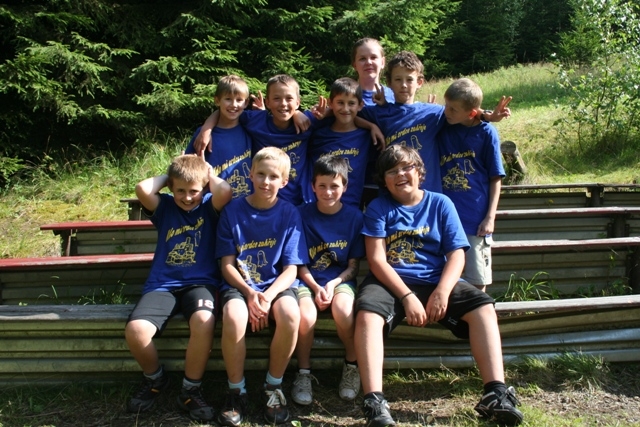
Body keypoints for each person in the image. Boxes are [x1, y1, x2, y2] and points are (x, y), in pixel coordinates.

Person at [354, 145, 523, 427]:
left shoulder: (441, 203)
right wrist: (407, 296)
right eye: (392, 171)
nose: (400, 175)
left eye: (407, 167)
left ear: (420, 172)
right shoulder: (379, 208)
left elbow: (457, 254)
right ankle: (374, 403)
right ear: (383, 180)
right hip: (391, 282)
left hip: (436, 278)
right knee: (367, 315)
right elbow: (376, 260)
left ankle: (496, 393)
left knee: (483, 308)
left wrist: (442, 292)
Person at [125, 154, 232, 422]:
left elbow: (225, 191)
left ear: (204, 187)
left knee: (204, 320)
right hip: (163, 284)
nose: (187, 197)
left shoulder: (209, 206)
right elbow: (142, 189)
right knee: (136, 331)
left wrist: (207, 174)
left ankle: (190, 388)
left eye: (194, 191)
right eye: (180, 191)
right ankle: (155, 378)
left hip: (201, 283)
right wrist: (171, 176)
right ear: (171, 188)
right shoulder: (164, 207)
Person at [215, 146, 309, 426]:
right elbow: (227, 265)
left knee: (291, 314)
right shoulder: (232, 211)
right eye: (261, 175)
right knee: (234, 316)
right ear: (250, 175)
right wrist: (249, 293)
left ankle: (273, 386)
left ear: (284, 181)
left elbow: (291, 268)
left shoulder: (290, 213)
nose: (266, 182)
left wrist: (266, 297)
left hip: (275, 285)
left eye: (273, 177)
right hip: (240, 285)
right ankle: (237, 391)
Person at [358, 50, 511, 194]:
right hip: (394, 194)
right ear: (389, 82)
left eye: (409, 79)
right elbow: (349, 114)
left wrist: (488, 116)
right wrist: (371, 126)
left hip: (429, 194)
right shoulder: (380, 112)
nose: (403, 85)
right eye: (398, 79)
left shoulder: (433, 112)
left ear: (419, 82)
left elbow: (463, 109)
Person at [293, 154, 364, 406]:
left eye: (334, 186)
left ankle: (352, 365)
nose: (328, 192)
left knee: (344, 310)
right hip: (307, 280)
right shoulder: (300, 214)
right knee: (305, 317)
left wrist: (333, 284)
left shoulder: (355, 217)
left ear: (345, 186)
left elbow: (353, 266)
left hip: (339, 280)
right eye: (321, 185)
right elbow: (298, 263)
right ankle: (303, 372)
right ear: (313, 186)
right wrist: (315, 287)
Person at [193, 74, 320, 206]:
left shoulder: (306, 123)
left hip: (299, 202)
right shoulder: (257, 121)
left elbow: (332, 113)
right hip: (262, 201)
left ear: (298, 102)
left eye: (289, 98)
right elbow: (228, 111)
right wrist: (206, 129)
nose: (283, 103)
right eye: (277, 98)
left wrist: (297, 113)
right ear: (268, 102)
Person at [439, 78, 505, 292]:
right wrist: (487, 113)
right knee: (444, 279)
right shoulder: (443, 125)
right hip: (445, 220)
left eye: (453, 109)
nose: (446, 111)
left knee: (477, 281)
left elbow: (496, 177)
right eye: (446, 105)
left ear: (471, 113)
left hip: (475, 220)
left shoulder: (487, 133)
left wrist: (490, 217)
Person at [184, 75, 253, 199]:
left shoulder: (250, 129)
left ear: (246, 103)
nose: (234, 104)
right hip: (212, 202)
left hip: (243, 203)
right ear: (217, 100)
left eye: (239, 100)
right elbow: (188, 168)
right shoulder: (203, 134)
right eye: (228, 99)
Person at [308, 77, 372, 208]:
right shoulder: (317, 134)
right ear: (330, 103)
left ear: (360, 105)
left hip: (350, 209)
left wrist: (372, 127)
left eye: (351, 103)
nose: (345, 108)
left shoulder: (366, 137)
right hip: (317, 208)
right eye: (340, 103)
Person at [351, 38, 395, 106]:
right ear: (355, 65)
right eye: (362, 59)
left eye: (373, 57)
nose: (368, 62)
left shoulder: (394, 96)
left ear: (382, 62)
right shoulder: (347, 97)